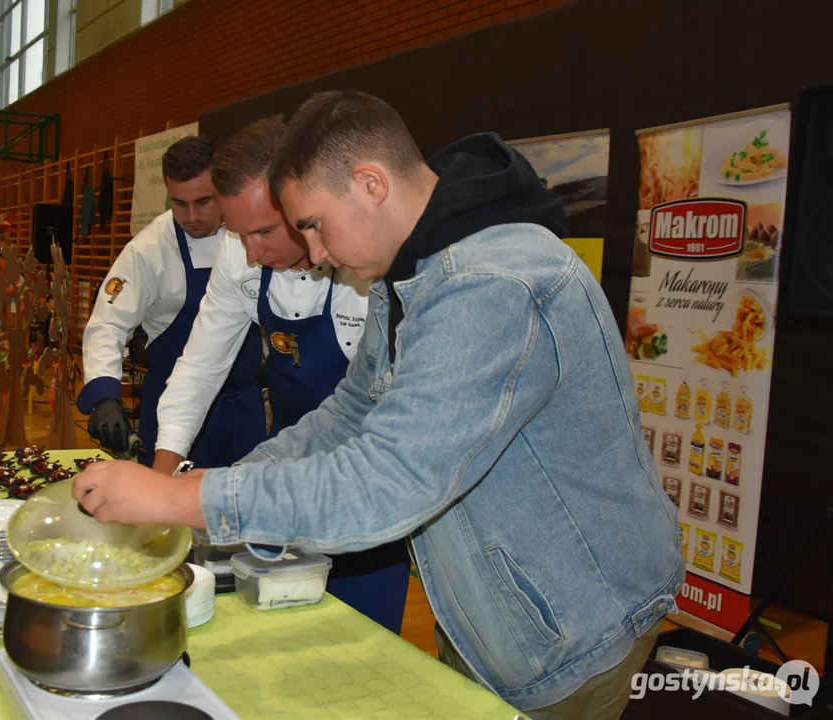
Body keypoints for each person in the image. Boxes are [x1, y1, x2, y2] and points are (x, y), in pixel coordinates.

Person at [72, 91, 683, 718]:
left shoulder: (492, 286)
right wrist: (214, 480)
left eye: (312, 224)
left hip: (574, 632)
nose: (313, 253)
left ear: (370, 184)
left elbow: (389, 480)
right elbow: (349, 415)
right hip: (493, 608)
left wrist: (183, 499)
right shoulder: (411, 274)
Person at [150, 116, 411, 635]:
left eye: (267, 231)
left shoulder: (366, 270)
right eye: (237, 233)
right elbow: (201, 364)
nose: (250, 252)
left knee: (359, 644)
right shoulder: (240, 251)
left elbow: (365, 415)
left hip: (366, 488)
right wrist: (161, 481)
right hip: (289, 462)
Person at [77, 136, 266, 468]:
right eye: (179, 203)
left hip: (242, 410)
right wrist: (105, 394)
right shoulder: (149, 248)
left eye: (204, 201)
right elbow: (108, 322)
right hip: (170, 409)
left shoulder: (253, 235)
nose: (191, 216)